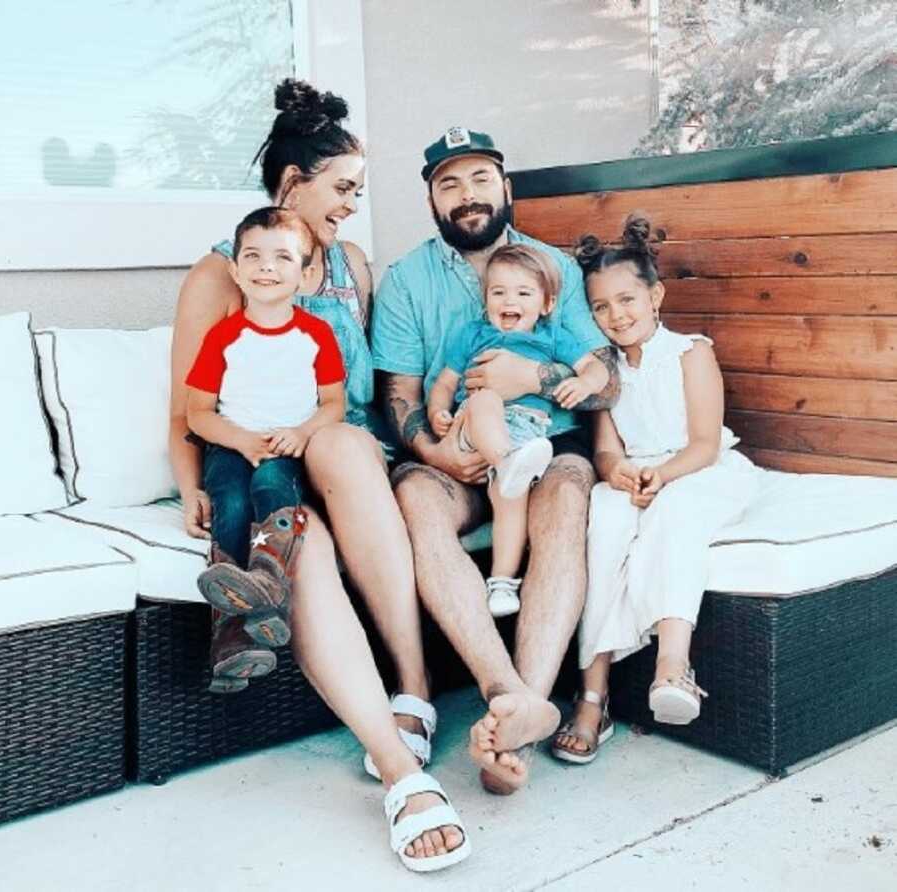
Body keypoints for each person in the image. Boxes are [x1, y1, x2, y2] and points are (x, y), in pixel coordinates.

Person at [170, 80, 468, 872]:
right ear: (292, 183)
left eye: (359, 193)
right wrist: (188, 483)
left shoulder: (354, 264)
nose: (350, 207)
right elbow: (188, 406)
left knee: (337, 445)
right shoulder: (224, 274)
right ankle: (403, 774)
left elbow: (358, 393)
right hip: (261, 458)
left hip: (345, 453)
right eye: (341, 190)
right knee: (299, 543)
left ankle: (413, 689)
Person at [372, 127, 620, 795]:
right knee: (416, 499)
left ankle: (520, 726)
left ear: (505, 189)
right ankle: (507, 694)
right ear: (430, 199)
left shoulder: (555, 270)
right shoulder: (406, 281)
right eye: (449, 183)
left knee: (569, 498)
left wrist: (528, 380)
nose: (467, 195)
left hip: (546, 446)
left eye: (480, 179)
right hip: (450, 450)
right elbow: (397, 394)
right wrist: (436, 452)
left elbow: (608, 380)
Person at [551, 215, 760, 765]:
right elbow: (605, 448)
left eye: (627, 300)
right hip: (637, 475)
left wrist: (661, 477)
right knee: (605, 523)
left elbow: (704, 443)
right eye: (602, 307)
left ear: (655, 295)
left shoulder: (690, 352)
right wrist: (617, 471)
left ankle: (673, 667)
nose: (616, 315)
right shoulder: (604, 370)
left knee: (676, 512)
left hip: (696, 471)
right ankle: (591, 697)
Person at [187, 207, 345, 651]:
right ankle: (231, 634)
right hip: (230, 445)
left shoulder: (317, 335)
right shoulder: (223, 337)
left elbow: (335, 403)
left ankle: (270, 596)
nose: (267, 267)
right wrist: (239, 439)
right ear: (236, 271)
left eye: (282, 257)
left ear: (306, 275)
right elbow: (197, 412)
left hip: (286, 447)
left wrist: (302, 432)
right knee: (232, 501)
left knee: (272, 487)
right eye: (253, 257)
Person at [427, 243, 610, 618]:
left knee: (510, 498)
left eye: (524, 293)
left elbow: (598, 368)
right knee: (486, 399)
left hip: (526, 436)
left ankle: (501, 583)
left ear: (546, 303)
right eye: (499, 292)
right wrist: (436, 411)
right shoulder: (473, 334)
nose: (510, 300)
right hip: (474, 429)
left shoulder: (553, 337)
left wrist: (585, 384)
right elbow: (446, 382)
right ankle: (506, 462)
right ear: (486, 299)